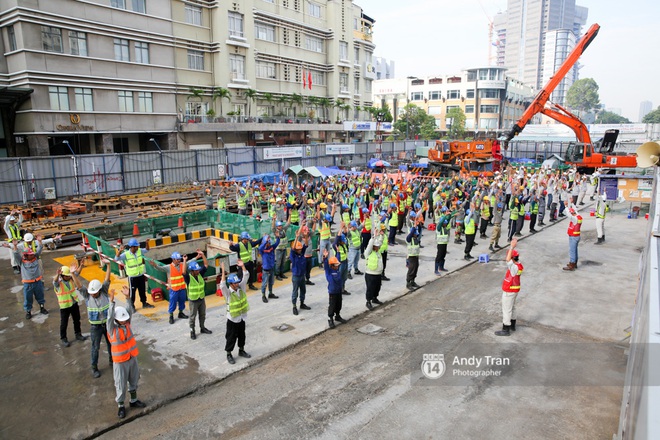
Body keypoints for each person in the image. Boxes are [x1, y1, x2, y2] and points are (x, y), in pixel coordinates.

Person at [107, 285, 146, 419]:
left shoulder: (127, 323)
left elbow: (129, 310)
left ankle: (134, 401)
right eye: (122, 320)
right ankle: (121, 406)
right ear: (116, 320)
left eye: (125, 319)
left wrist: (128, 297)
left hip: (131, 358)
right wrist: (111, 302)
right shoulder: (112, 329)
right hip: (120, 362)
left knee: (134, 380)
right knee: (120, 384)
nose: (125, 321)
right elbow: (109, 318)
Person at [76, 259, 113, 378]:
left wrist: (108, 265)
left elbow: (107, 279)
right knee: (95, 347)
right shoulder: (87, 295)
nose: (93, 294)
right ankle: (94, 367)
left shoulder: (104, 292)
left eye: (95, 292)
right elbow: (80, 286)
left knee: (111, 344)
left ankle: (112, 360)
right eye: (92, 293)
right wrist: (73, 274)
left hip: (107, 324)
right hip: (95, 327)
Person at [220, 260, 251, 365]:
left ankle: (241, 350)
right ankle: (229, 354)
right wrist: (223, 271)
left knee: (242, 335)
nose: (237, 284)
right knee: (231, 337)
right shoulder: (228, 292)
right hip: (232, 319)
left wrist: (243, 267)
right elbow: (222, 285)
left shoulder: (241, 288)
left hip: (241, 317)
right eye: (235, 283)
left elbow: (246, 275)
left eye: (238, 282)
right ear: (231, 284)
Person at [149, 251, 189, 324]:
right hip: (174, 290)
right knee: (172, 303)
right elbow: (160, 268)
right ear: (173, 259)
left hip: (182, 288)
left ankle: (181, 313)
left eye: (179, 259)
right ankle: (171, 316)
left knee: (182, 301)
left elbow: (189, 262)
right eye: (177, 259)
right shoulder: (168, 267)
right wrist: (155, 265)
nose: (179, 260)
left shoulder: (182, 265)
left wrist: (196, 257)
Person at [12, 237, 47, 319]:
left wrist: (40, 241)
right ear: (26, 255)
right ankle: (28, 312)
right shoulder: (21, 262)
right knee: (28, 298)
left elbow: (39, 249)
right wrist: (15, 246)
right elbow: (16, 254)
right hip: (28, 284)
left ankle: (42, 308)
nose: (33, 255)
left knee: (40, 296)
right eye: (31, 254)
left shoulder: (35, 257)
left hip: (37, 282)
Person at [495, 239, 523, 337]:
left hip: (509, 290)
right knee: (513, 307)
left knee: (506, 309)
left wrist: (511, 247)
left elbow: (508, 260)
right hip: (515, 290)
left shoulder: (513, 267)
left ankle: (506, 329)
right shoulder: (519, 264)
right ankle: (512, 325)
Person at [115, 238, 154, 309]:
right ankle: (132, 305)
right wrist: (119, 251)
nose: (138, 247)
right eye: (136, 246)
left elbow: (147, 250)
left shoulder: (139, 251)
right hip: (132, 277)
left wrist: (147, 243)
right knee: (132, 292)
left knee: (142, 290)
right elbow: (116, 259)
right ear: (132, 247)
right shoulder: (126, 254)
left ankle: (144, 303)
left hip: (140, 275)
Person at [53, 264, 87, 347]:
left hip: (74, 303)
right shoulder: (58, 283)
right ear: (63, 276)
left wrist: (81, 266)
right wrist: (57, 274)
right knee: (64, 323)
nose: (69, 277)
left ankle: (78, 334)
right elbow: (54, 281)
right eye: (67, 276)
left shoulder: (71, 279)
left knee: (76, 320)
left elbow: (77, 273)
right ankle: (63, 338)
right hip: (65, 306)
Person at [186, 251, 212, 340]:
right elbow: (183, 272)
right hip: (193, 301)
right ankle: (192, 331)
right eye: (196, 270)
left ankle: (202, 328)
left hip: (201, 298)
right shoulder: (188, 278)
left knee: (202, 314)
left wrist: (203, 255)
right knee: (192, 317)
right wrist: (184, 260)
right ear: (192, 271)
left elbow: (206, 265)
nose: (198, 271)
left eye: (198, 269)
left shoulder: (200, 274)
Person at [322, 249, 345, 329]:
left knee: (339, 304)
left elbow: (337, 259)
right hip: (332, 292)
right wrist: (325, 257)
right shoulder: (329, 272)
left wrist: (338, 252)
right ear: (332, 265)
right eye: (336, 265)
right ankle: (331, 319)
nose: (337, 266)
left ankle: (337, 316)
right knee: (332, 305)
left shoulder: (337, 270)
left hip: (338, 291)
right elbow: (325, 265)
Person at [364, 228, 384, 310]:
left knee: (377, 287)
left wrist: (381, 236)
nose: (378, 247)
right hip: (370, 274)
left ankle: (375, 298)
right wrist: (374, 237)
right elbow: (369, 245)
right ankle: (368, 301)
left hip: (378, 274)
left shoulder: (378, 252)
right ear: (373, 247)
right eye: (377, 246)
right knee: (370, 288)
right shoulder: (368, 252)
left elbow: (381, 242)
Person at [258, 234, 280, 303]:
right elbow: (260, 248)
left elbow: (277, 243)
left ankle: (270, 293)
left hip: (271, 268)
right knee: (264, 283)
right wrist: (265, 242)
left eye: (270, 243)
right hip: (266, 270)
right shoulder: (262, 250)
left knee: (271, 282)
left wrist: (278, 237)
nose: (269, 244)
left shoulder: (271, 248)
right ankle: (263, 295)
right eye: (268, 243)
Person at [563, 204, 582, 271]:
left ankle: (572, 264)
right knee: (575, 250)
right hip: (576, 236)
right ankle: (575, 263)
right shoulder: (578, 216)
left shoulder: (574, 219)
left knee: (572, 251)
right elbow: (576, 211)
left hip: (573, 237)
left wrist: (566, 206)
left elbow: (569, 215)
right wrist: (572, 204)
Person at [405, 220, 422, 289]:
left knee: (415, 269)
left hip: (416, 256)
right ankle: (408, 283)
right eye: (415, 234)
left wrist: (418, 225)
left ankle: (413, 281)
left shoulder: (416, 239)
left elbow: (420, 232)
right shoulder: (409, 239)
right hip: (411, 257)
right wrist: (414, 228)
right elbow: (410, 234)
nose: (416, 235)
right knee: (411, 270)